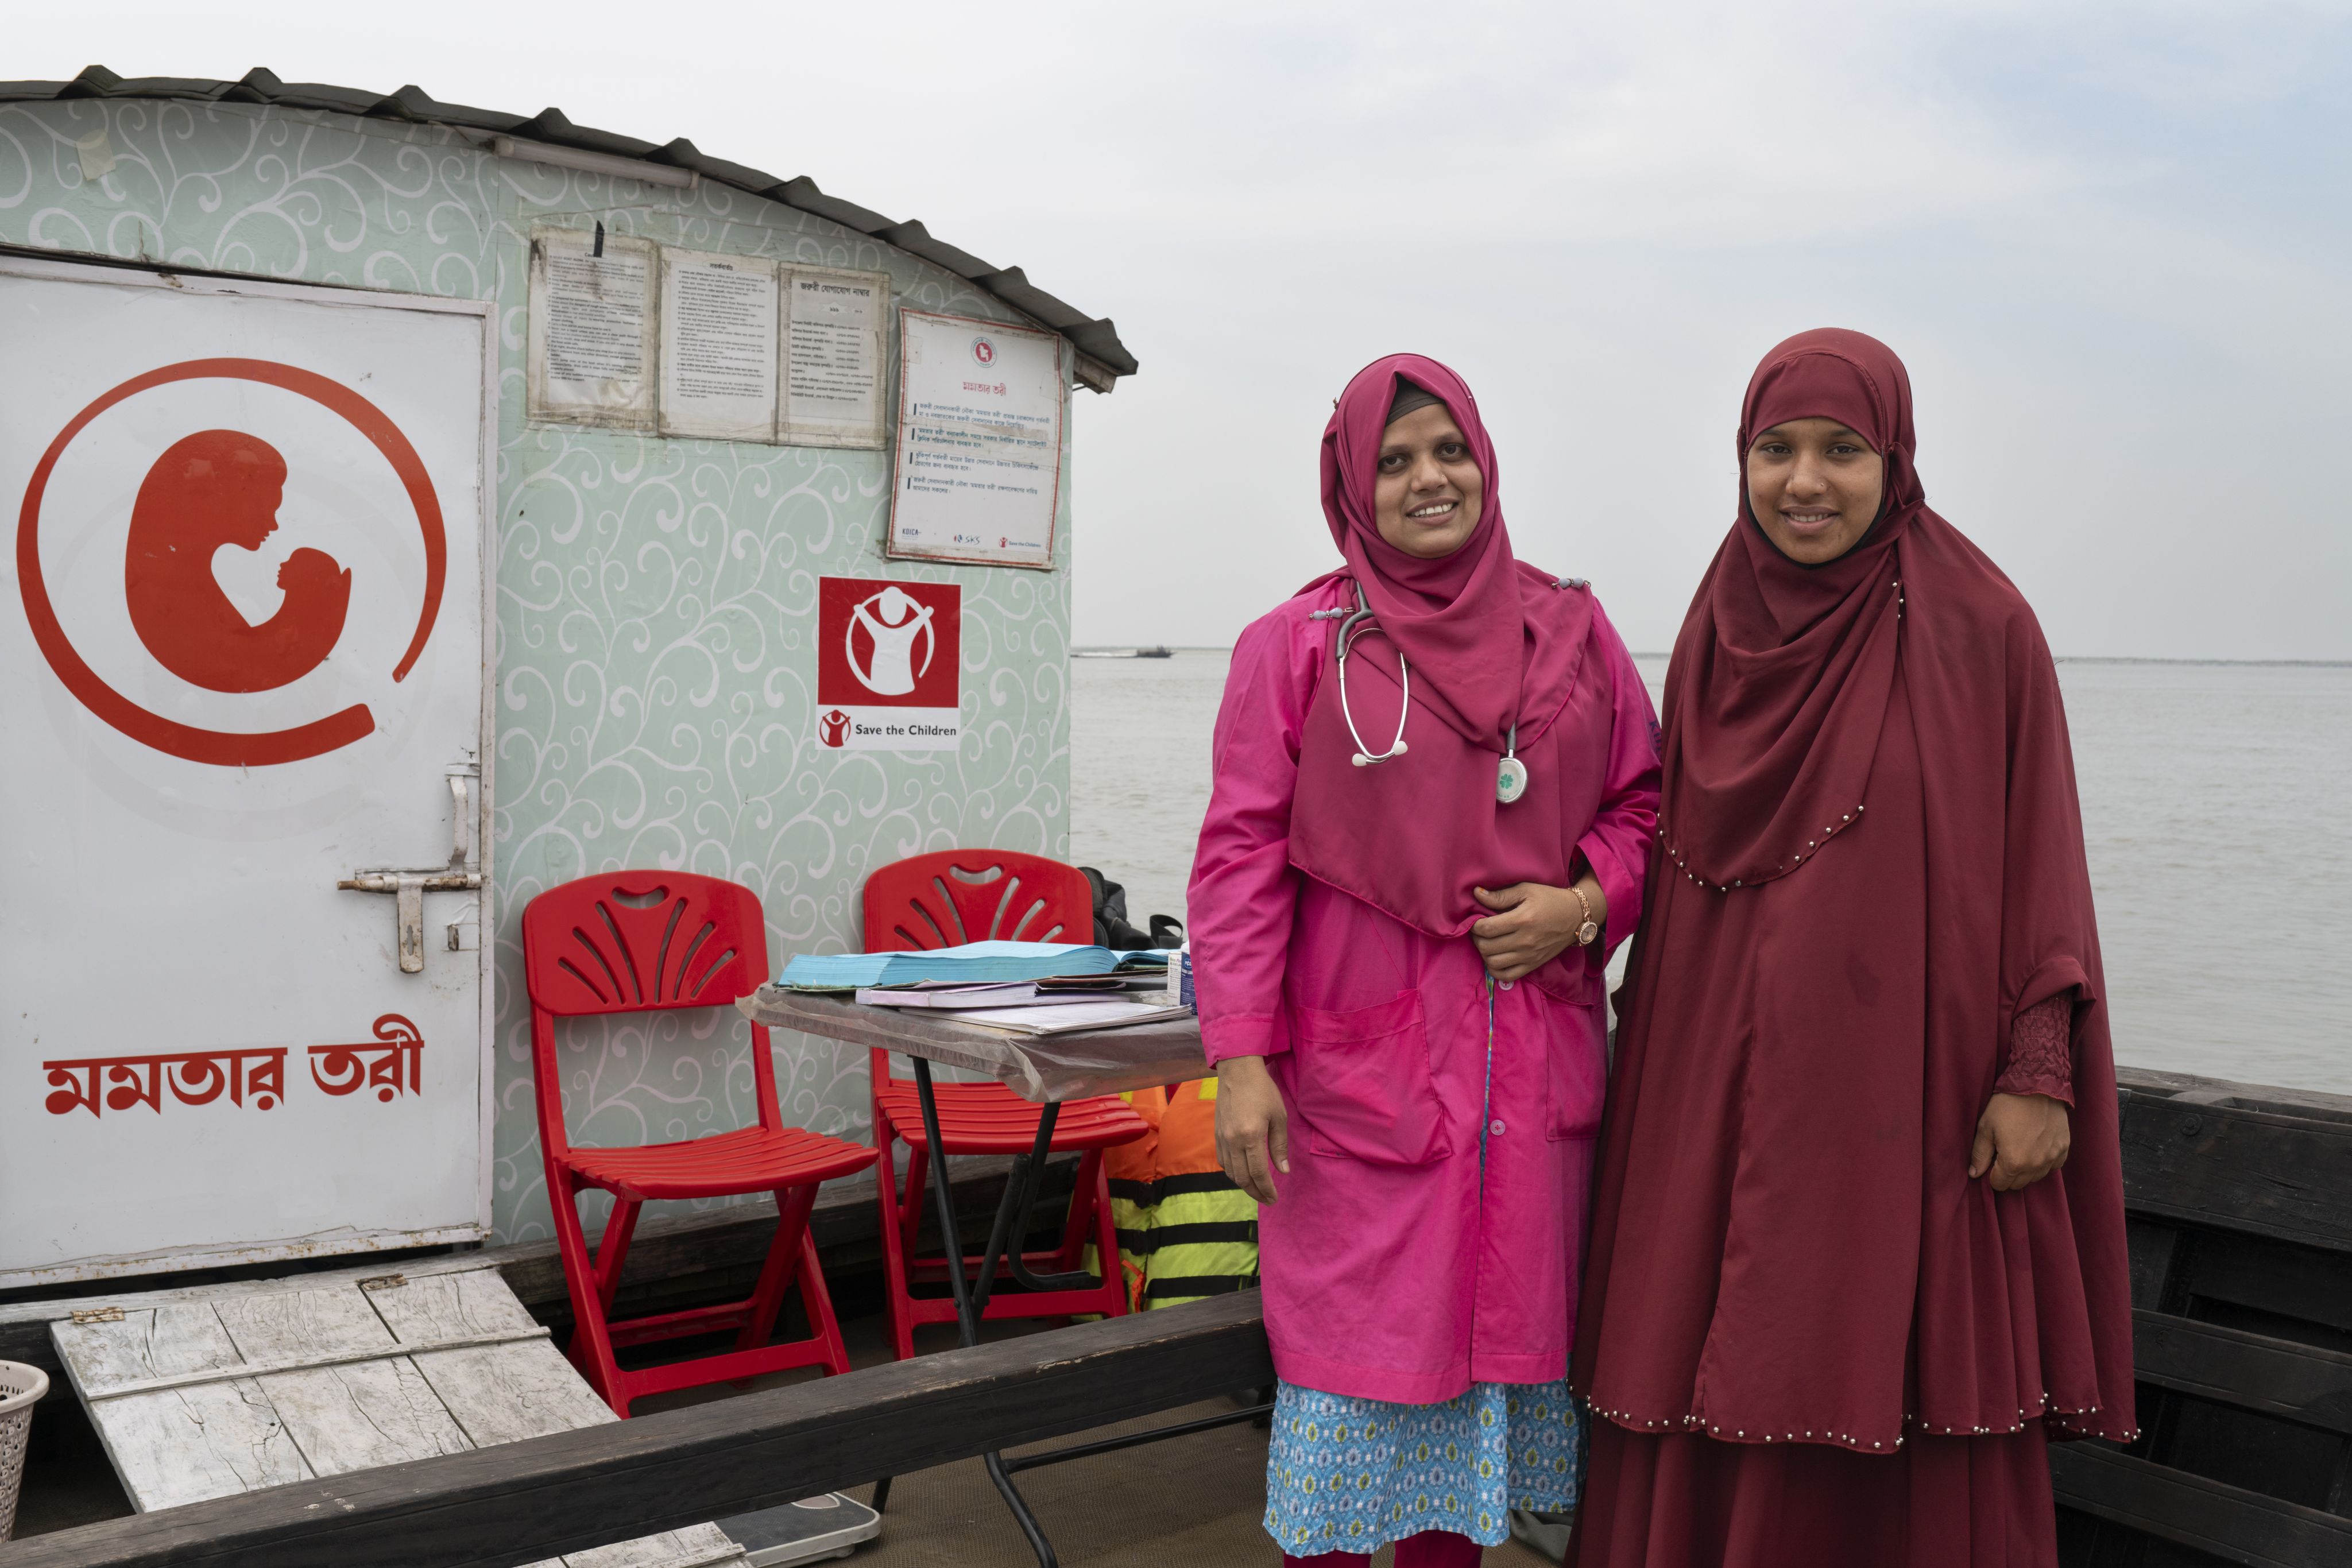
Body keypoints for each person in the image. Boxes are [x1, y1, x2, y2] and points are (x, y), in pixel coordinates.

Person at [1569, 329, 2136, 1567]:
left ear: (1897, 460)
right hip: (1711, 1106)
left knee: (1893, 1369)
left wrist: (2037, 1069)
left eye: (1841, 450)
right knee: (1708, 1347)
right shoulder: (1717, 624)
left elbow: (2041, 853)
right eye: (1774, 450)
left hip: (1911, 1111)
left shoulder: (1979, 624)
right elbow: (1671, 863)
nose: (1803, 481)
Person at [1190, 354, 1661, 1566]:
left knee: (1476, 1441)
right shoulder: (1292, 646)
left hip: (1528, 1067)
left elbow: (1647, 807)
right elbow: (1237, 861)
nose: (1427, 479)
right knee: (1354, 1400)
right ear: (1351, 486)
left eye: (1447, 450)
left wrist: (1579, 903)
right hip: (1363, 1092)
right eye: (1391, 461)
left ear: (1486, 463)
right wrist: (1239, 1061)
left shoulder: (1572, 630)